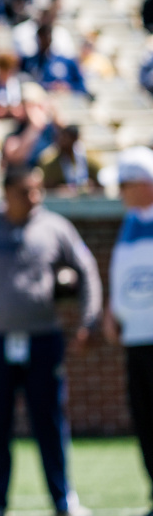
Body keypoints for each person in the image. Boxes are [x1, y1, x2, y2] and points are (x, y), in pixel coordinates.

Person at [0, 166, 101, 516]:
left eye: (38, 190)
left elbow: (86, 269)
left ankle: (63, 499)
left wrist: (89, 320)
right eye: (27, 191)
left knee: (50, 421)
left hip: (43, 338)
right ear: (7, 192)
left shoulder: (55, 226)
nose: (35, 198)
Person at [105, 147, 153, 516]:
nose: (120, 192)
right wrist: (112, 311)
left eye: (124, 184)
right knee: (145, 421)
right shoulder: (130, 222)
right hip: (135, 342)